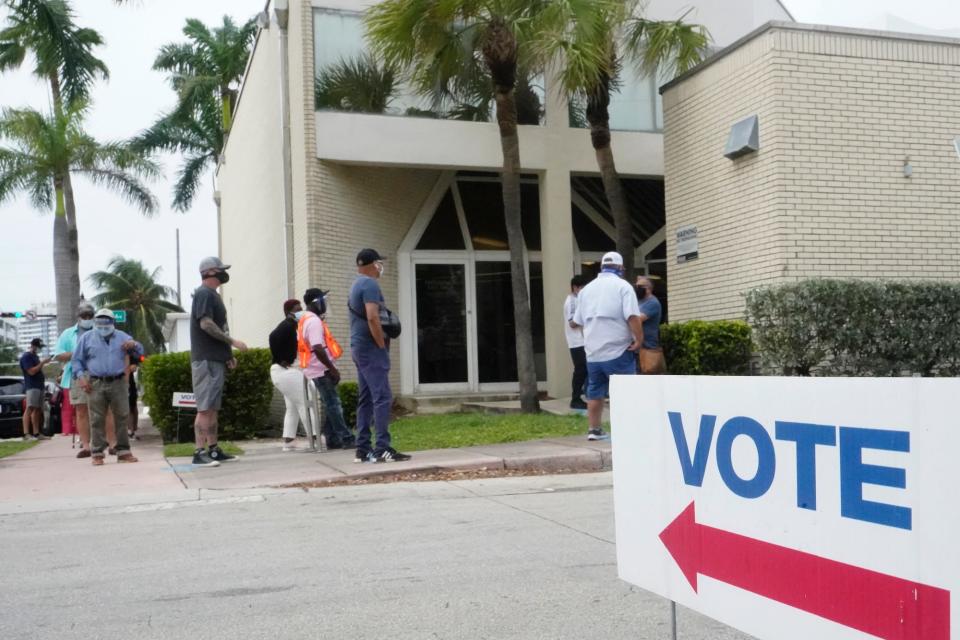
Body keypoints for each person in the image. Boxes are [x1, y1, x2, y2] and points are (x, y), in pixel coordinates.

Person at [571, 251, 644, 441]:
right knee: (625, 392)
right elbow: (632, 317)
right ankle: (627, 430)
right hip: (618, 350)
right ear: (620, 268)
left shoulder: (586, 290)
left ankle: (594, 430)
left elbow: (576, 321)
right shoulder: (623, 286)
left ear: (602, 267)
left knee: (594, 392)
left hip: (593, 353)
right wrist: (639, 339)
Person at [348, 249, 411, 463]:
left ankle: (362, 449)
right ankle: (382, 448)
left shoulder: (356, 284)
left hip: (358, 347)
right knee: (382, 397)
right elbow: (373, 317)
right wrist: (380, 344)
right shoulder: (370, 285)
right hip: (370, 349)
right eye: (378, 262)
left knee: (366, 398)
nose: (380, 266)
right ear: (371, 264)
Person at [190, 256, 248, 467]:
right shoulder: (204, 294)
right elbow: (206, 324)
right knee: (204, 408)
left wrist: (227, 356)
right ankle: (199, 452)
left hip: (215, 359)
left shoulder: (212, 295)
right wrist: (233, 342)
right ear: (210, 272)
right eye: (221, 270)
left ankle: (213, 450)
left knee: (212, 408)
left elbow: (217, 328)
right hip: (205, 360)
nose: (224, 273)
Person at [71, 308, 143, 465]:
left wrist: (134, 344)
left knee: (122, 417)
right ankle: (97, 453)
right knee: (96, 419)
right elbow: (76, 360)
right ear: (96, 323)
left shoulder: (123, 337)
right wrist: (81, 378)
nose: (103, 326)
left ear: (112, 323)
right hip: (95, 382)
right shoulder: (86, 338)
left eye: (106, 322)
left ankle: (123, 451)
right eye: (99, 322)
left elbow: (140, 352)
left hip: (118, 382)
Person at [54, 301, 117, 457]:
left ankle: (113, 444)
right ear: (78, 316)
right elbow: (59, 355)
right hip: (78, 375)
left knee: (107, 410)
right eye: (84, 315)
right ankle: (87, 446)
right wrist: (77, 352)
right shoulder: (68, 333)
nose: (87, 318)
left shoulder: (103, 330)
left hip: (101, 373)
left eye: (90, 315)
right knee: (81, 411)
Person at [299, 288, 355, 450]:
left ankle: (332, 439)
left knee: (330, 404)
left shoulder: (305, 319)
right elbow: (317, 347)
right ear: (316, 303)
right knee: (334, 404)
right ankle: (346, 438)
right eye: (324, 300)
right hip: (321, 370)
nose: (325, 304)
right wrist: (332, 369)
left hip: (316, 369)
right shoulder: (314, 321)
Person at [269, 298, 312, 451]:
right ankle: (314, 437)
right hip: (284, 371)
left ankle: (289, 441)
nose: (300, 310)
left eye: (301, 308)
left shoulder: (293, 326)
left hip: (283, 372)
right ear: (289, 312)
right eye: (296, 308)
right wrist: (281, 359)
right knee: (305, 402)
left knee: (292, 406)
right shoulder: (287, 325)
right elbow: (272, 337)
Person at [564, 275, 589, 410]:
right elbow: (572, 323)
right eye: (583, 288)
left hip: (583, 341)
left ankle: (581, 396)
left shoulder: (580, 300)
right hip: (577, 341)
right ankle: (575, 398)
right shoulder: (572, 301)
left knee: (584, 370)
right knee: (580, 370)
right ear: (575, 288)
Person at [19, 338, 51, 441]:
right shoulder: (26, 357)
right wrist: (42, 363)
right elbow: (31, 372)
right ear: (33, 346)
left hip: (39, 386)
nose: (40, 349)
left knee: (37, 410)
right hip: (32, 386)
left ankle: (36, 433)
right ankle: (26, 433)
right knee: (30, 408)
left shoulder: (35, 357)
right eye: (39, 347)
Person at [635, 276, 666, 375]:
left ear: (648, 288)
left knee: (648, 375)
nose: (637, 288)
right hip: (637, 347)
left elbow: (637, 319)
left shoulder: (653, 303)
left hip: (648, 346)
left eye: (639, 286)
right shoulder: (638, 301)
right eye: (636, 286)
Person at [127, 354, 142, 439]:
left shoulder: (129, 353)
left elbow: (134, 367)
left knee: (132, 407)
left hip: (129, 383)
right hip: (117, 383)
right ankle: (130, 430)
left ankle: (133, 430)